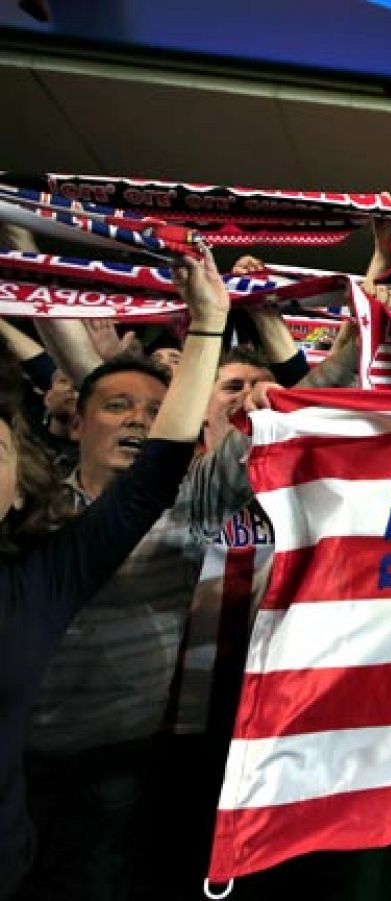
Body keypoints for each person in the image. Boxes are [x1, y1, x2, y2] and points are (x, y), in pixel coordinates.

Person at [3, 248, 230, 900]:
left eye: (153, 412)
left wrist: (221, 323)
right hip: (17, 758)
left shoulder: (187, 496)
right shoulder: (34, 513)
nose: (136, 419)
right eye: (116, 406)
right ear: (72, 421)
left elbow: (157, 469)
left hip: (115, 765)